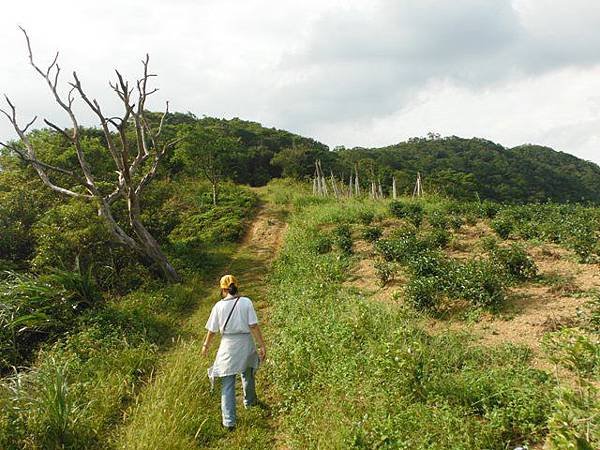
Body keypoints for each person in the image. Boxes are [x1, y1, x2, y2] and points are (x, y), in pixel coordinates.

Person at [201, 274, 266, 431]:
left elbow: (212, 331)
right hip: (245, 342)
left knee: (227, 382)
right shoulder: (246, 302)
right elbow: (253, 326)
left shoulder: (218, 306)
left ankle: (229, 422)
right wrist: (262, 345)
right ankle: (250, 402)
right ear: (237, 286)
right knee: (248, 372)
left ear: (223, 289)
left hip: (228, 345)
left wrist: (205, 346)